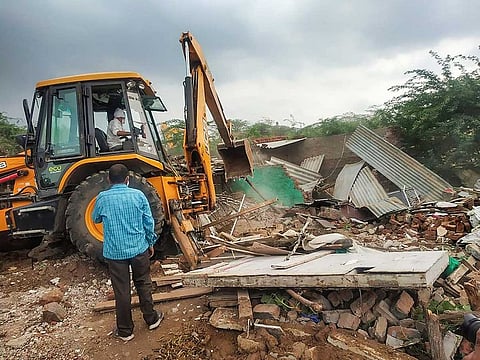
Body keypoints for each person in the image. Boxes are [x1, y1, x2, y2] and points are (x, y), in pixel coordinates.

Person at [92, 164, 163, 341]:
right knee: (143, 283)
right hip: (139, 249)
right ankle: (151, 319)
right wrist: (150, 242)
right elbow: (148, 221)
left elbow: (95, 218)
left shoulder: (102, 198)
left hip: (115, 253)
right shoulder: (138, 195)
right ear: (127, 179)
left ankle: (125, 331)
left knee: (122, 290)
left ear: (109, 179)